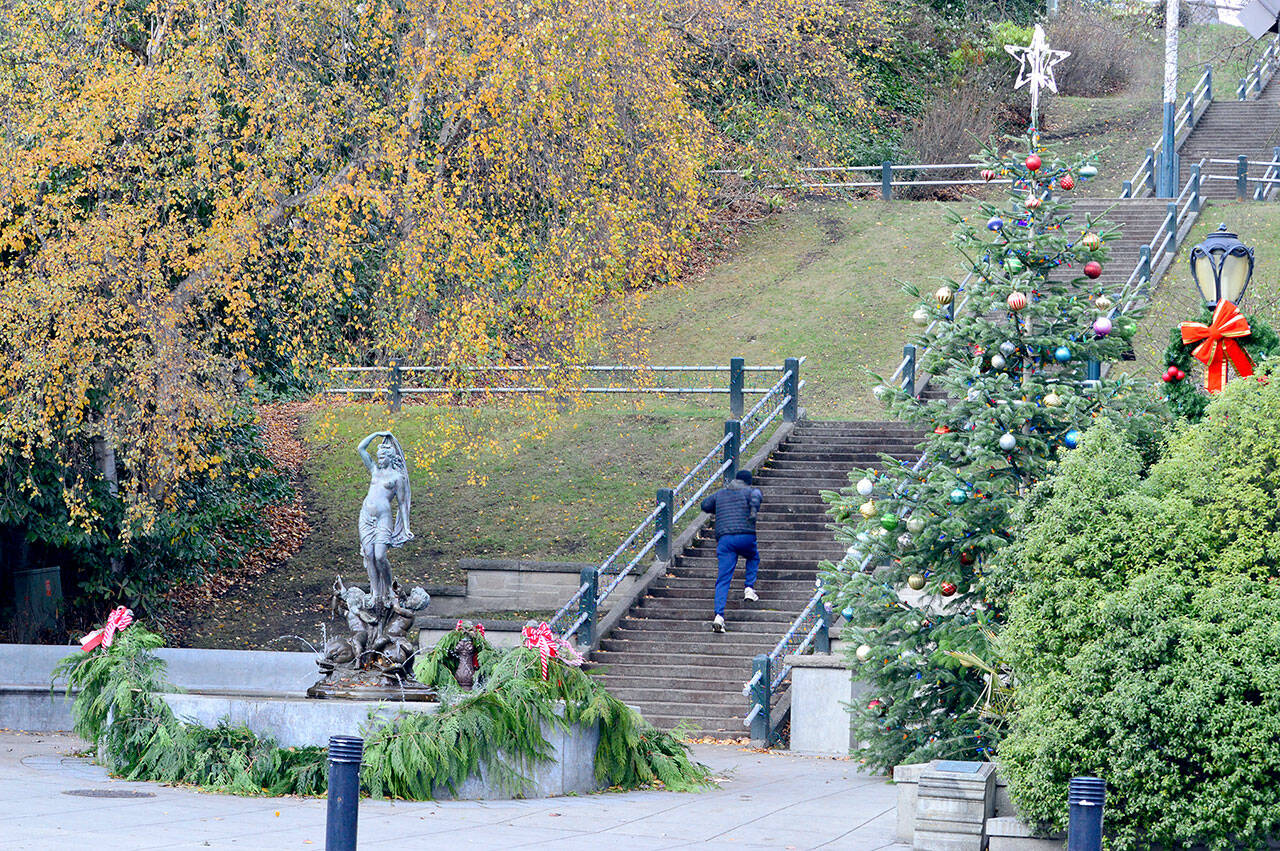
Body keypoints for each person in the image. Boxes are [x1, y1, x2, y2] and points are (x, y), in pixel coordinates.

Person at [700, 469, 763, 633]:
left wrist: (720, 508)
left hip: (725, 540)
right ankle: (749, 588)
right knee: (753, 557)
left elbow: (704, 504)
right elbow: (756, 497)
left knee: (723, 579)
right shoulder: (750, 491)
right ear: (748, 482)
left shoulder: (721, 494)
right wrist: (753, 511)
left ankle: (718, 616)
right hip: (745, 536)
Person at [357, 431, 413, 609]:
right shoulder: (374, 470)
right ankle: (375, 592)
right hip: (366, 516)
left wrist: (406, 527)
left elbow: (403, 504)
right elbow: (361, 448)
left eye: (383, 457)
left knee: (380, 555)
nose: (379, 460)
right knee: (370, 555)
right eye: (378, 457)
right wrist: (376, 434)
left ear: (390, 457)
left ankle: (389, 589)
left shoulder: (398, 478)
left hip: (384, 518)